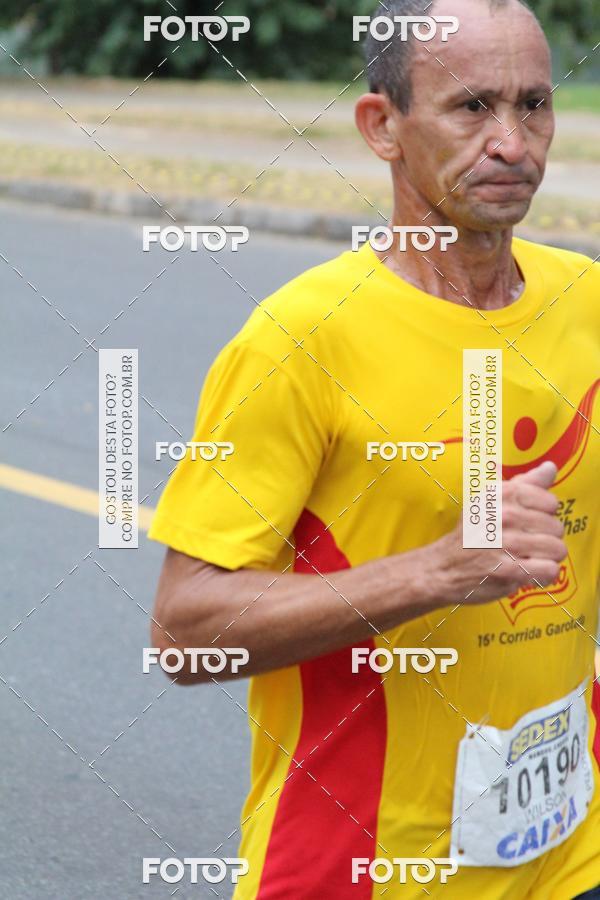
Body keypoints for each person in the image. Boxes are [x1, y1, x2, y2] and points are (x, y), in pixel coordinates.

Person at [148, 0, 600, 895]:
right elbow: (184, 632)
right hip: (360, 869)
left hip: (569, 856)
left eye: (535, 104)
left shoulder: (584, 297)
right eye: (472, 108)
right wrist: (433, 572)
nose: (513, 143)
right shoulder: (301, 340)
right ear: (381, 126)